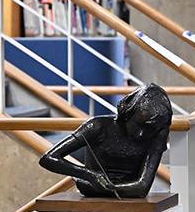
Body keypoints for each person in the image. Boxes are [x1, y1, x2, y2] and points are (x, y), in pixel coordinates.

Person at [39, 83, 172, 198]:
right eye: (137, 124)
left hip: (115, 194)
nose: (141, 133)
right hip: (93, 190)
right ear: (128, 113)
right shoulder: (98, 126)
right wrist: (89, 174)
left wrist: (103, 187)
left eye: (150, 129)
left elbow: (142, 187)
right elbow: (48, 158)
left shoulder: (158, 134)